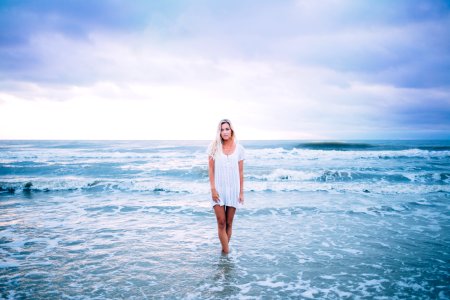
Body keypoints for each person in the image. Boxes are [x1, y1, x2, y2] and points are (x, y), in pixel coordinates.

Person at [207, 119, 245, 254]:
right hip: (218, 189)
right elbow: (210, 170)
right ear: (219, 132)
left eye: (227, 129)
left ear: (231, 130)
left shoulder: (240, 149)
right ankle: (227, 253)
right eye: (222, 129)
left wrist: (241, 192)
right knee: (221, 222)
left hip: (233, 189)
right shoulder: (213, 147)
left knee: (229, 223)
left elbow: (240, 171)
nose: (224, 132)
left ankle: (223, 254)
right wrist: (212, 189)